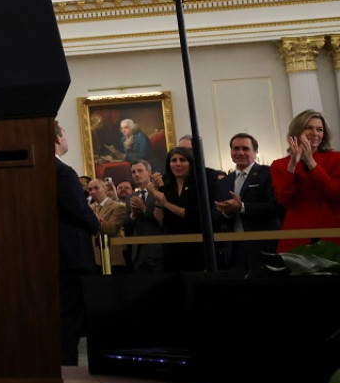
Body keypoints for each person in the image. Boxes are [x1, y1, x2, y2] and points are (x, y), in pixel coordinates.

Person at [55, 121, 102, 366]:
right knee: (70, 319)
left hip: (51, 255)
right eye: (64, 133)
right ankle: (69, 372)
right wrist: (95, 222)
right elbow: (79, 211)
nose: (66, 138)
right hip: (70, 256)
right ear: (56, 138)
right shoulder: (62, 171)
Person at [271, 110, 340, 252]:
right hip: (298, 233)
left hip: (330, 233)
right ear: (297, 131)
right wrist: (291, 166)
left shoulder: (336, 158)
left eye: (319, 129)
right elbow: (283, 199)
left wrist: (310, 162)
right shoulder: (279, 165)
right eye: (308, 128)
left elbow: (334, 193)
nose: (315, 133)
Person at [146, 146, 217, 272]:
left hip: (196, 245)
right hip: (172, 246)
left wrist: (166, 203)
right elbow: (160, 221)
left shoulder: (199, 184)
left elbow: (193, 215)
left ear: (190, 164)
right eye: (174, 160)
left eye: (182, 160)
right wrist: (157, 198)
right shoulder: (167, 185)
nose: (178, 164)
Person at [214, 133, 280, 269]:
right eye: (236, 149)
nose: (240, 152)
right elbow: (215, 214)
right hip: (234, 248)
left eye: (245, 148)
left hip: (264, 245)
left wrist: (242, 207)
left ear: (255, 152)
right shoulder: (224, 181)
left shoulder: (268, 173)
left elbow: (276, 207)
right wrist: (226, 212)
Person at [125, 160, 163, 273]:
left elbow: (162, 220)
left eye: (140, 171)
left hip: (157, 249)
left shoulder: (159, 193)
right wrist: (133, 214)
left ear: (149, 172)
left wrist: (143, 209)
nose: (136, 174)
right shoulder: (130, 197)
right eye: (133, 172)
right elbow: (126, 224)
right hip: (137, 252)